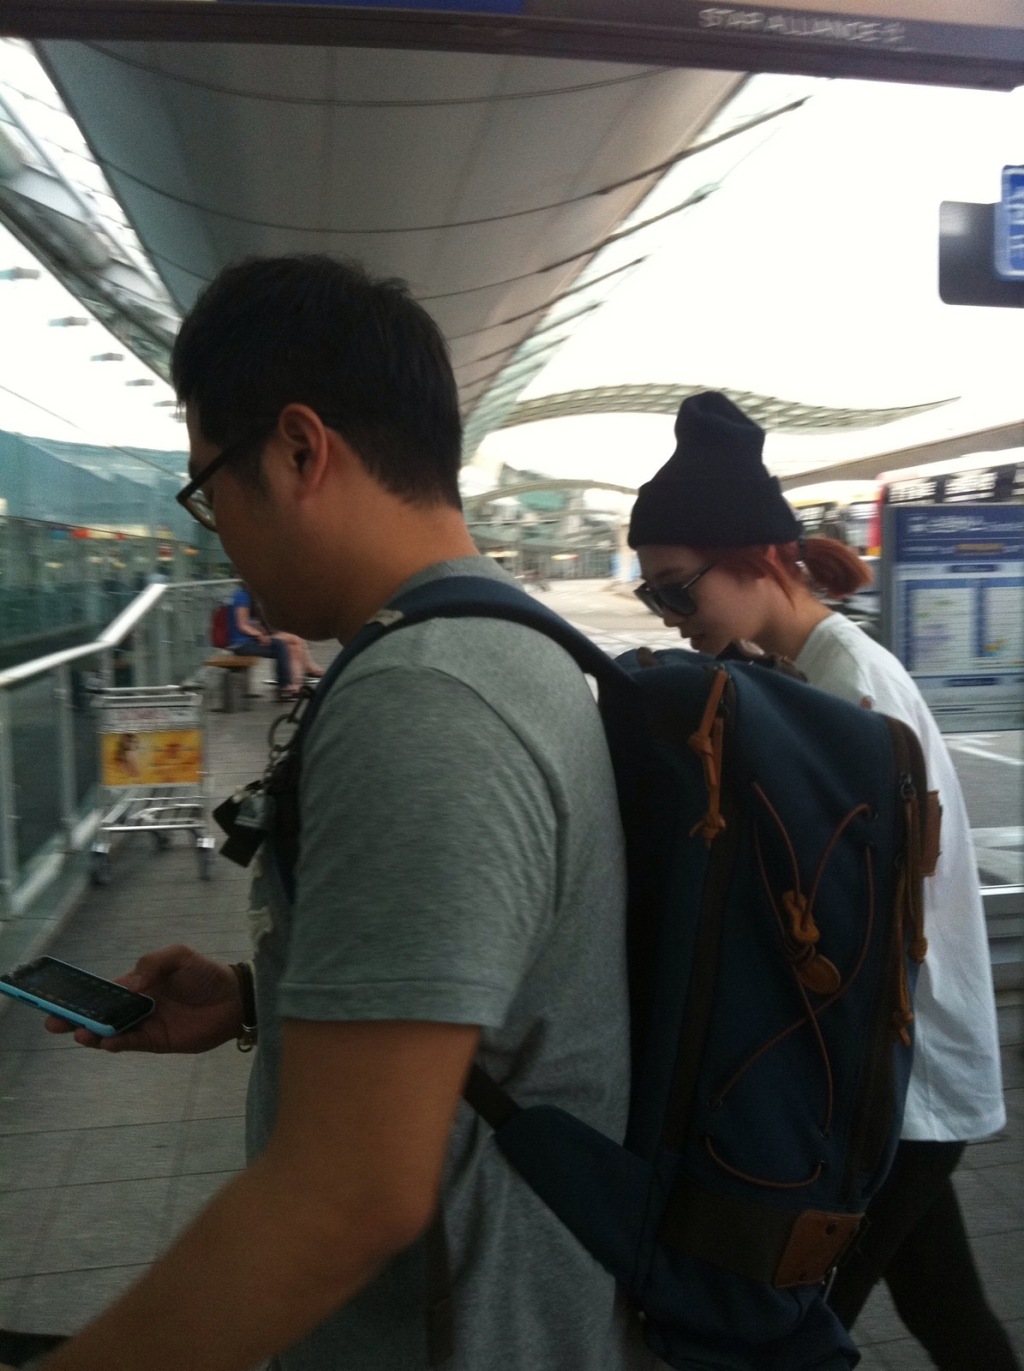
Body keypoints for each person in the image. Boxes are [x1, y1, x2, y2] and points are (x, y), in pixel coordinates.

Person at [38, 256, 646, 1371]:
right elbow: (492, 985)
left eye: (207, 487)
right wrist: (259, 997)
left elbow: (347, 1197)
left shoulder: (424, 696)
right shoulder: (502, 643)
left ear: (298, 451)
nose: (215, 531)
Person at [628, 390, 1016, 1371]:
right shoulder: (805, 669)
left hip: (898, 1080)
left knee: (785, 1337)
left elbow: (838, 919)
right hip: (903, 1075)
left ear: (758, 560)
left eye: (678, 591)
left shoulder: (849, 690)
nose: (671, 618)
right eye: (653, 598)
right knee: (945, 1311)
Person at [227, 581, 298, 701]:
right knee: (280, 648)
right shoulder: (242, 596)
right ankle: (284, 688)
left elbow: (251, 622)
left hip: (247, 641)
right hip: (240, 644)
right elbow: (242, 625)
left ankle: (284, 686)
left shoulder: (244, 595)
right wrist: (259, 635)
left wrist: (262, 634)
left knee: (279, 646)